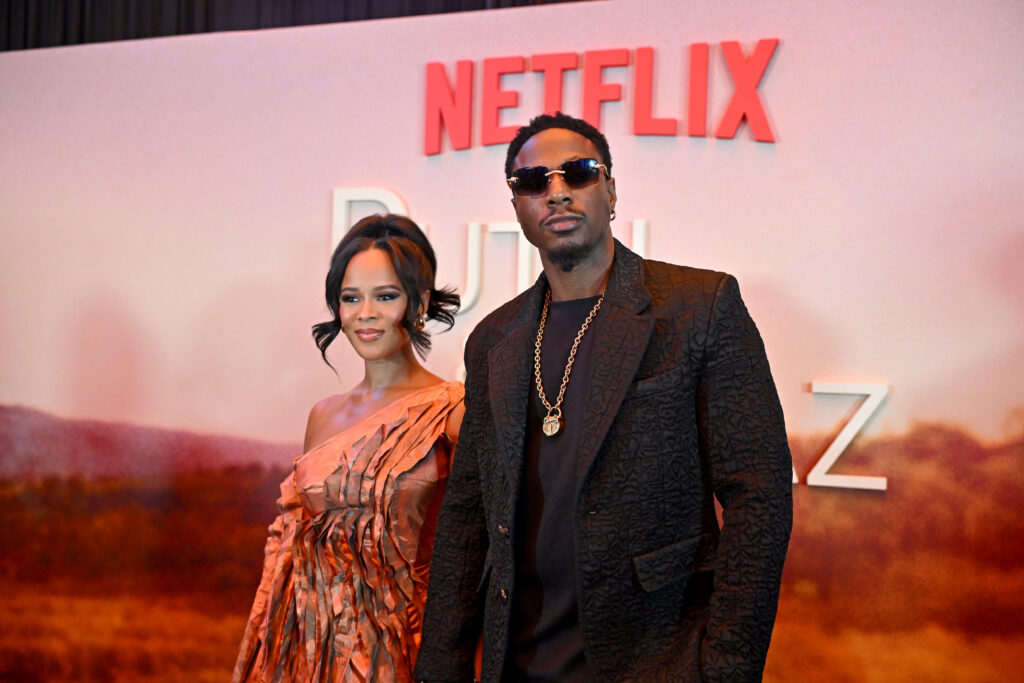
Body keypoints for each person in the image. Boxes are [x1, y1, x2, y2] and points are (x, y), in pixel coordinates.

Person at [414, 113, 793, 682]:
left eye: (578, 172)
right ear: (516, 206)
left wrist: (725, 667)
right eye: (533, 181)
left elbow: (759, 495)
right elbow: (468, 520)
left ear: (610, 190)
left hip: (657, 662)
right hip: (517, 664)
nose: (556, 191)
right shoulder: (493, 339)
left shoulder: (699, 306)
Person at [233, 214, 465, 683]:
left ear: (420, 302)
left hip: (411, 655)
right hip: (313, 654)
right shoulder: (322, 415)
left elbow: (473, 554)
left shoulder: (453, 410)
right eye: (351, 298)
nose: (366, 313)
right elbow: (293, 556)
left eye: (386, 296)